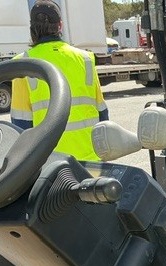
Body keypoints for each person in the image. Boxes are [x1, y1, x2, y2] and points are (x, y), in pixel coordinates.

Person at [10, 0, 109, 161]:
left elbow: (21, 125)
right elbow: (102, 114)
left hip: (50, 164)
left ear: (32, 28)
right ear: (60, 26)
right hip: (91, 160)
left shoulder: (22, 64)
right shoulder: (85, 59)